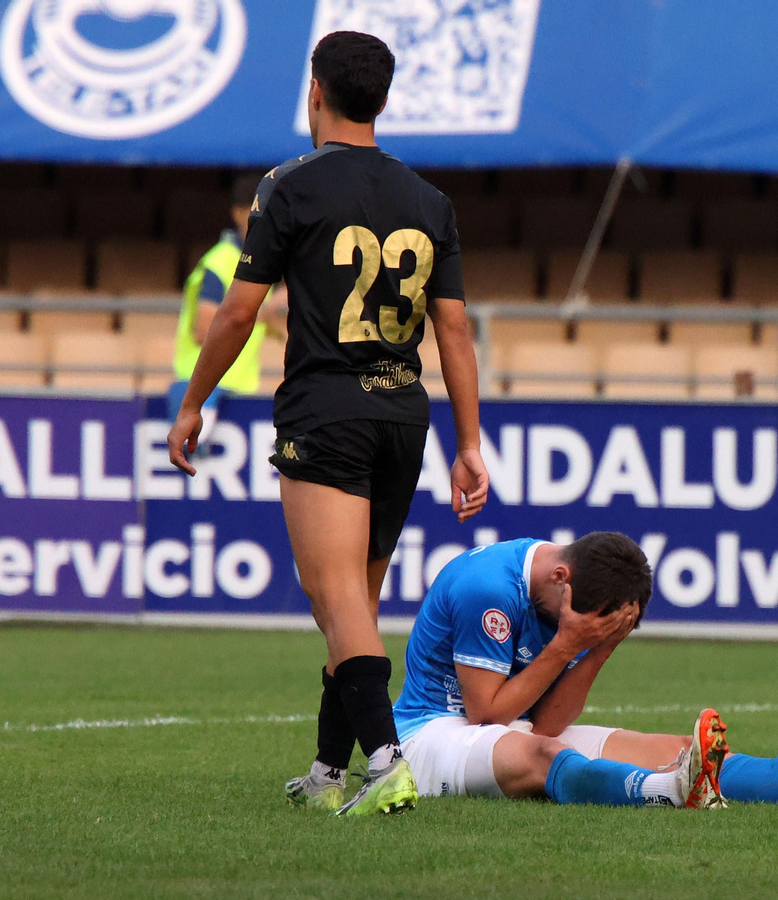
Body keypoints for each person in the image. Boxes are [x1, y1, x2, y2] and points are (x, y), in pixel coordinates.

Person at [168, 31, 491, 817]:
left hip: (326, 410)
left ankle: (386, 762)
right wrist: (469, 443)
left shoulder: (288, 185)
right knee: (357, 604)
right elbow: (453, 331)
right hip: (403, 415)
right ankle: (327, 771)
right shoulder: (429, 200)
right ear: (382, 98)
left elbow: (241, 310)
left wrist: (192, 401)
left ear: (316, 92)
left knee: (333, 593)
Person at [391, 532, 778, 809]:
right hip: (431, 734)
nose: (588, 632)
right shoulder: (487, 589)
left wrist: (600, 647)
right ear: (561, 576)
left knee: (674, 745)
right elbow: (485, 713)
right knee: (545, 759)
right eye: (589, 624)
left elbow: (546, 721)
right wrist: (568, 645)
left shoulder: (581, 604)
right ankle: (665, 792)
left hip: (502, 729)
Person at [167, 174, 288, 448]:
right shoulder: (221, 263)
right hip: (204, 390)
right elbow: (204, 330)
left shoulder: (257, 264)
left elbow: (256, 321)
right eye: (259, 210)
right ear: (238, 213)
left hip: (238, 390)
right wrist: (264, 311)